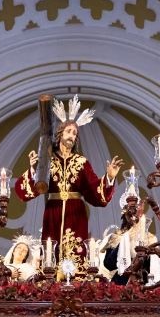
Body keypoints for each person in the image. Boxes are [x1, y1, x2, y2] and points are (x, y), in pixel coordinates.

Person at [14, 100, 123, 243]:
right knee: (51, 253)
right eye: (69, 131)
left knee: (75, 255)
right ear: (60, 134)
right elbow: (24, 192)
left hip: (76, 213)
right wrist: (34, 169)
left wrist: (109, 177)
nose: (72, 135)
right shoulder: (47, 160)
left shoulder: (81, 162)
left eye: (75, 133)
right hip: (53, 211)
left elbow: (95, 193)